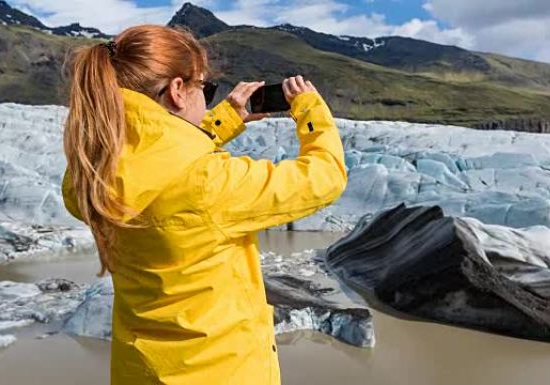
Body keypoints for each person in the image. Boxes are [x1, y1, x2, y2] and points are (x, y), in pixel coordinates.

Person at [60, 24, 347, 385]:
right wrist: (311, 111)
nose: (206, 99)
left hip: (141, 371)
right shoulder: (209, 183)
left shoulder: (91, 177)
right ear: (177, 91)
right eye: (205, 89)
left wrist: (223, 120)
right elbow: (324, 177)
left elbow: (156, 155)